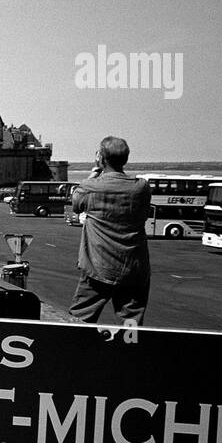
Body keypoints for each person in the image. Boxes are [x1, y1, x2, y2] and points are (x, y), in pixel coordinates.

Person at [68, 136, 152, 325]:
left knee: (80, 318)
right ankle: (127, 352)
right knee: (131, 322)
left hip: (98, 266)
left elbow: (76, 202)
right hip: (134, 266)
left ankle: (77, 351)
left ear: (101, 158)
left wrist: (94, 172)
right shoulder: (141, 188)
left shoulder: (90, 187)